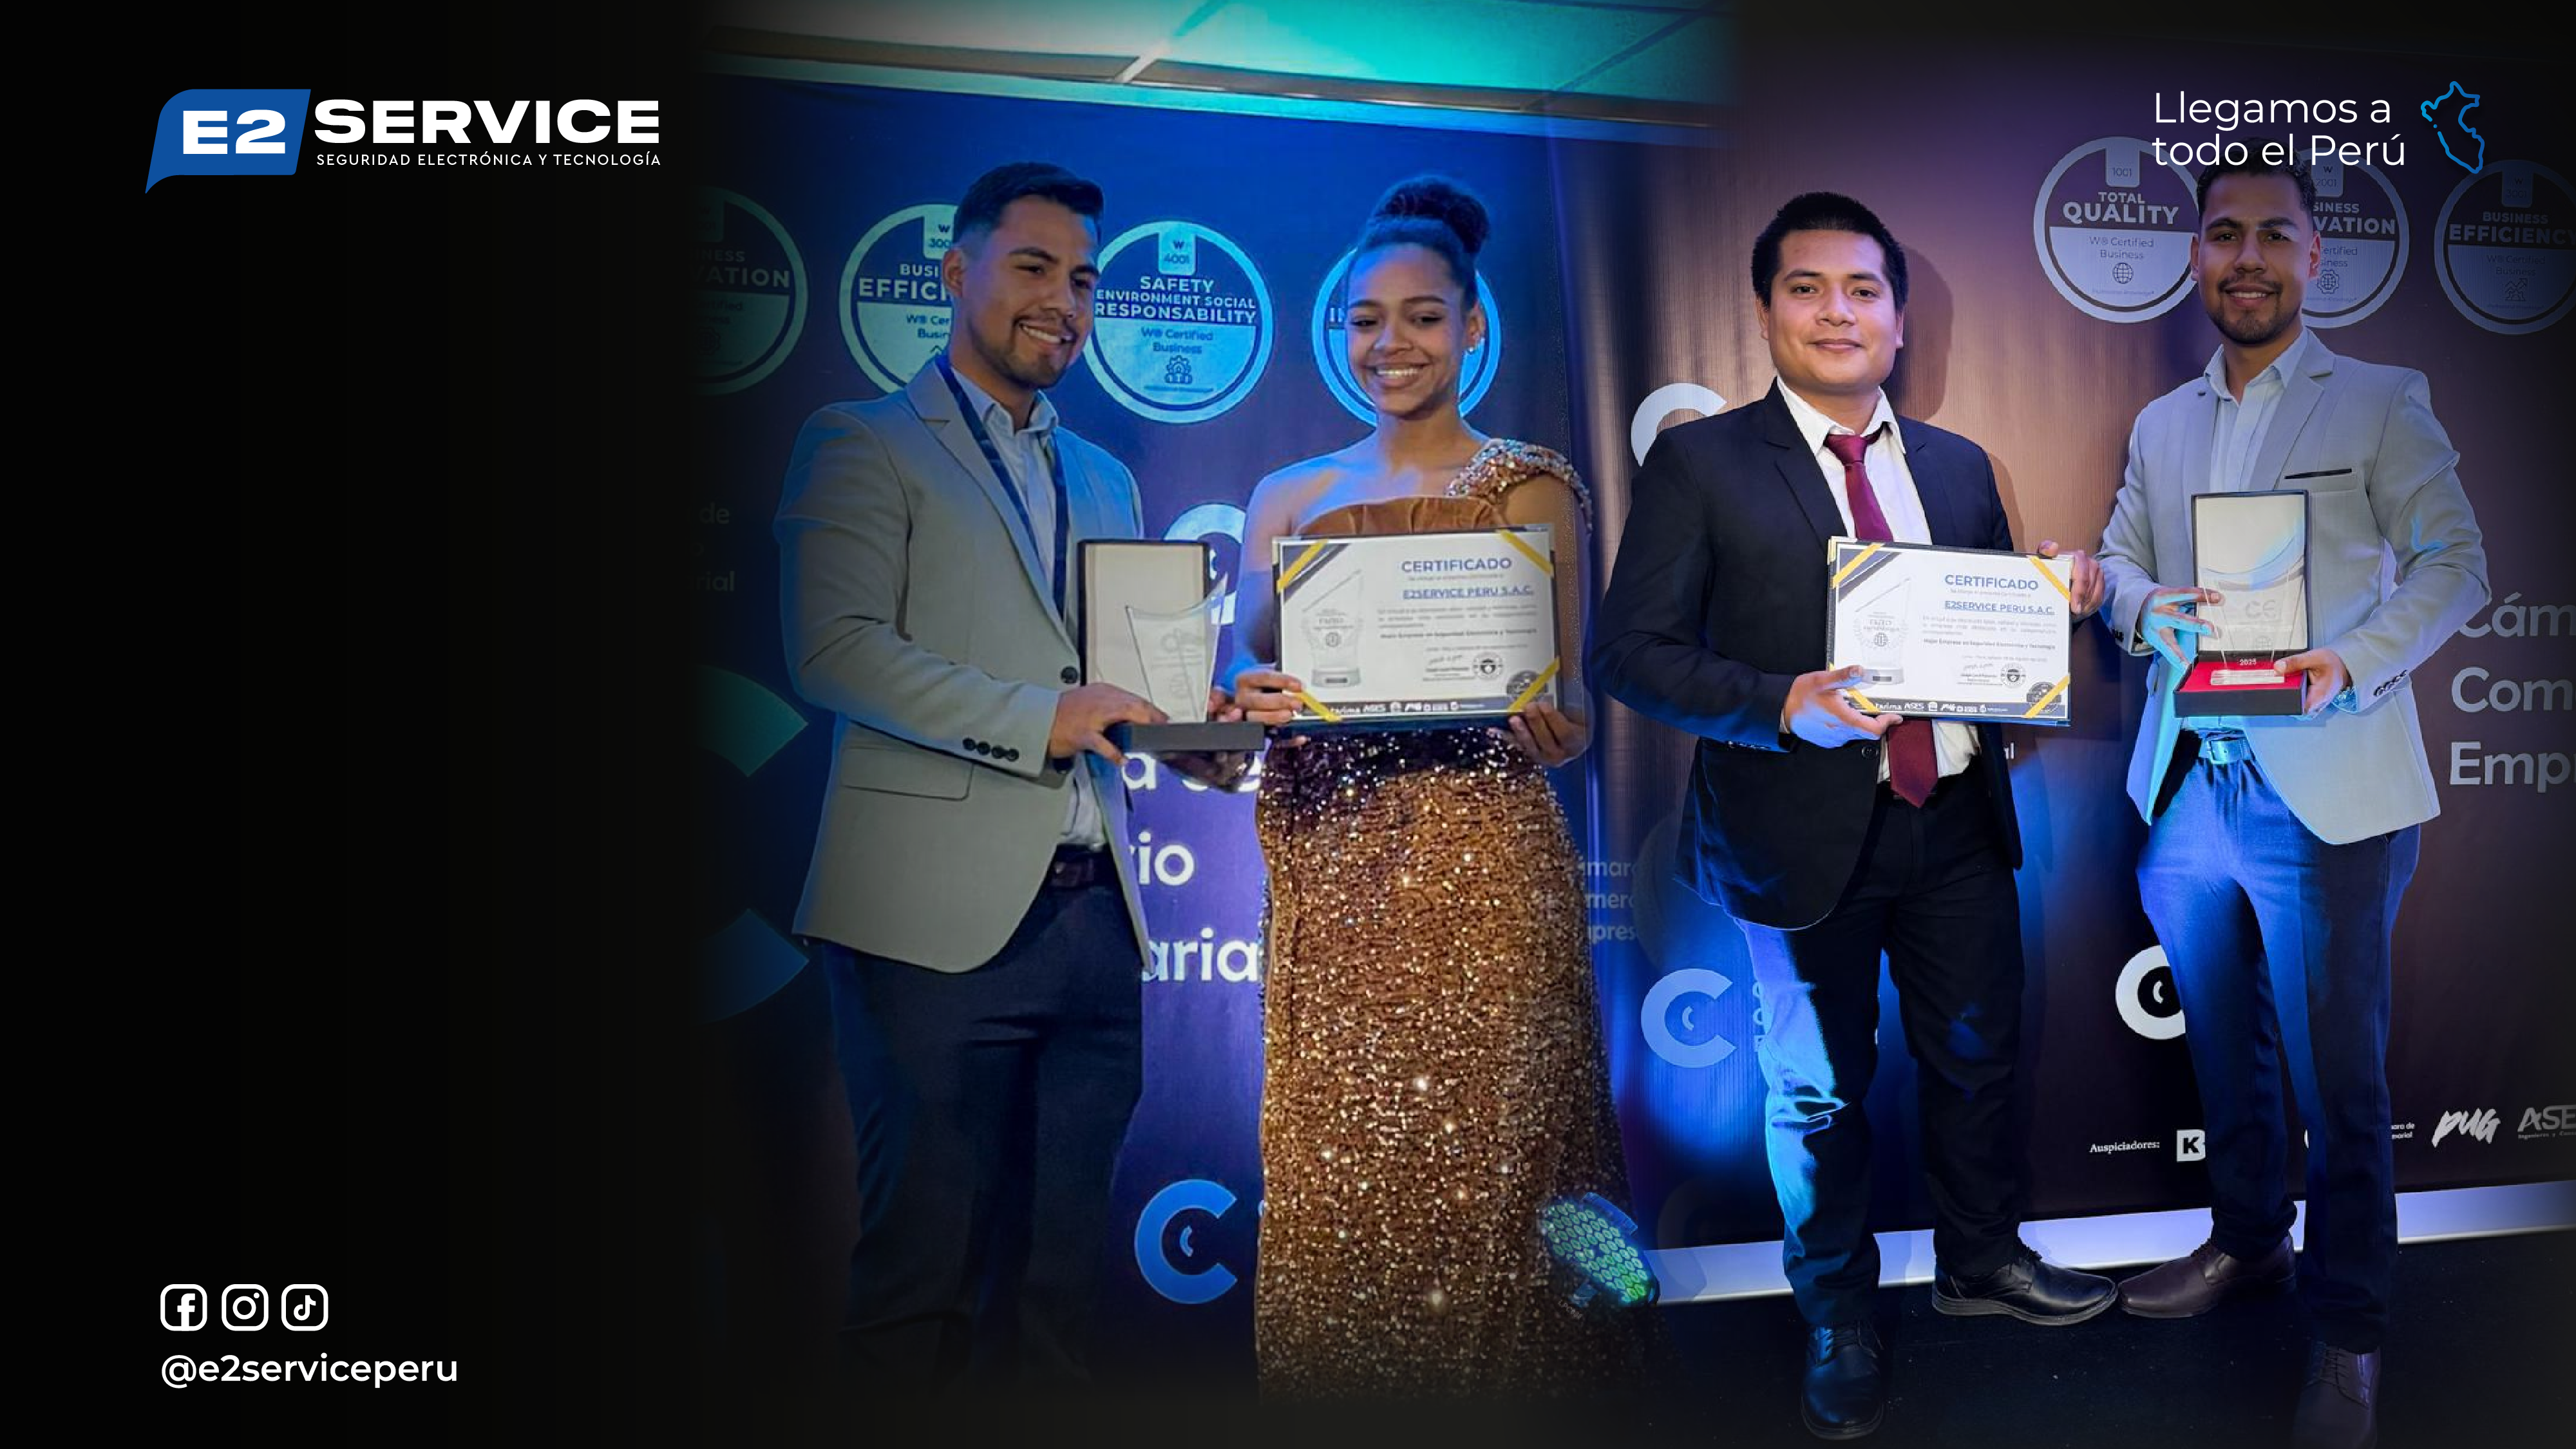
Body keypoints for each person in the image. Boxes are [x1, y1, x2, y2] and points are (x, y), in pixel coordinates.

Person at [1587, 191, 2115, 1440]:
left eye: (1862, 289)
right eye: (1806, 288)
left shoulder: (1951, 464)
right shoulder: (1701, 460)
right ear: (1765, 308)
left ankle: (1981, 1265)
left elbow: (1988, 644)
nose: (1837, 311)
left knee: (1976, 1059)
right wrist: (1782, 703)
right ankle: (1834, 1311)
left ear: (1897, 313)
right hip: (1791, 832)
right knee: (1817, 1094)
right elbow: (1628, 654)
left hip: (1956, 824)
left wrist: (2062, 600)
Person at [1228, 176, 1654, 1400]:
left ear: (1474, 327)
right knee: (1341, 1182)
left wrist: (1547, 718)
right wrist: (1242, 698)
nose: (1391, 345)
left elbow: (1570, 718)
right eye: (1367, 320)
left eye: (1422, 317)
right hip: (1332, 873)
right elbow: (1232, 681)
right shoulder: (1284, 498)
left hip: (1481, 873)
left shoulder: (1530, 484)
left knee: (1511, 1169)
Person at [2096, 150, 2486, 1449]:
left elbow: (2453, 562)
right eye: (2221, 235)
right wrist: (2148, 606)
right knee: (2226, 1060)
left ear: (2312, 257)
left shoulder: (2378, 399)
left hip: (2326, 784)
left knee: (2341, 1086)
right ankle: (2247, 1247)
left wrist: (2345, 661)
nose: (2244, 257)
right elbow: (2116, 561)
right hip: (2189, 789)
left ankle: (2350, 1334)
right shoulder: (2159, 424)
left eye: (2272, 234)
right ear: (2195, 257)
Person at [773, 160, 1179, 1397]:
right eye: (1035, 266)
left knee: (1060, 1291)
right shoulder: (860, 440)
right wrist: (1039, 716)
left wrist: (1206, 723)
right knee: (921, 1279)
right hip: (925, 928)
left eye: (1087, 278)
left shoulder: (1107, 474)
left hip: (1098, 918)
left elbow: (1118, 686)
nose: (1065, 299)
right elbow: (832, 648)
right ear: (956, 274)